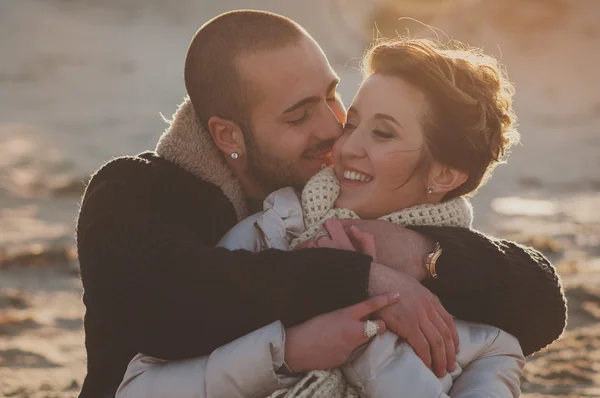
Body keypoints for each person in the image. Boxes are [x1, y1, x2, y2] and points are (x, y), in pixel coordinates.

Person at [76, 10, 566, 398]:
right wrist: (360, 278)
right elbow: (168, 304)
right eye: (299, 115)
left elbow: (539, 304)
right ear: (228, 134)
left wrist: (418, 254)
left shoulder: (343, 199)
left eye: (332, 97)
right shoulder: (133, 193)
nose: (334, 129)